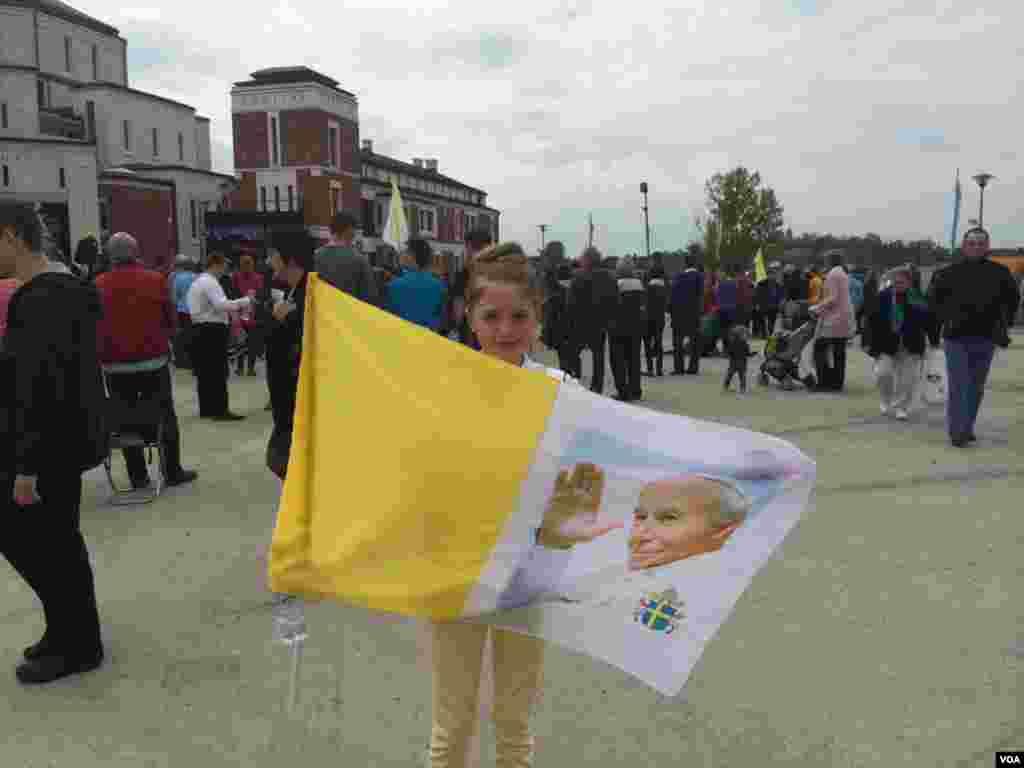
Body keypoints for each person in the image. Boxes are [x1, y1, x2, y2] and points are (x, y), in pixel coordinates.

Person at [428, 241, 605, 768]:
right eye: (491, 316)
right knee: (451, 723)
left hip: (527, 575)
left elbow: (589, 477)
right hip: (456, 571)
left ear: (538, 317)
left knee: (514, 724)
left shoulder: (562, 389)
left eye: (519, 316)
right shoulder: (441, 384)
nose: (505, 330)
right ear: (468, 316)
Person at [0, 203, 107, 684]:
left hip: (44, 447)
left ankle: (77, 644)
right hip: (69, 439)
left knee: (42, 542)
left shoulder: (38, 299)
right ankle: (68, 632)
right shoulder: (69, 289)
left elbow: (37, 386)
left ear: (10, 237)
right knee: (61, 541)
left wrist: (26, 466)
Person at [95, 233, 197, 490]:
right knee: (164, 413)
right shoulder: (155, 279)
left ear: (110, 255)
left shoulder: (98, 284)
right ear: (136, 251)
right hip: (153, 360)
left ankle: (138, 476)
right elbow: (170, 319)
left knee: (125, 417)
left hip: (114, 365)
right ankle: (172, 470)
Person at [928, 228, 1020, 447]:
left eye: (981, 243)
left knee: (976, 386)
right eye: (972, 243)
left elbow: (1012, 300)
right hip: (956, 337)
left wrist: (1003, 325)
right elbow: (933, 302)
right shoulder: (948, 273)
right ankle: (957, 432)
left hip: (986, 338)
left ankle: (967, 427)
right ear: (964, 246)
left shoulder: (1000, 273)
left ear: (987, 247)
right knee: (960, 384)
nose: (976, 247)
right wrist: (939, 328)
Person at [263, 234, 311, 480]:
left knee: (280, 461)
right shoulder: (296, 292)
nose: (269, 261)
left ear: (289, 260)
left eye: (273, 255)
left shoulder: (308, 297)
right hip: (286, 398)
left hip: (294, 398)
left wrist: (278, 320)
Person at [187, 252, 253, 421]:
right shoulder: (210, 282)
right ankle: (220, 410)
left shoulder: (198, 281)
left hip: (199, 328)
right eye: (224, 265)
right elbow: (221, 305)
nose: (226, 269)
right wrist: (246, 301)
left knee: (205, 371)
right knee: (218, 370)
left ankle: (207, 408)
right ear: (215, 264)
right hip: (212, 329)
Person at [867, 265, 935, 421]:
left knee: (907, 379)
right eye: (895, 282)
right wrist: (869, 343)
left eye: (901, 282)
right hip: (885, 343)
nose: (897, 285)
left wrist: (933, 341)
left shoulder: (917, 297)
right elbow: (872, 321)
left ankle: (901, 407)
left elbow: (928, 321)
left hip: (911, 344)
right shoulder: (883, 296)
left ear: (909, 283)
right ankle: (885, 399)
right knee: (883, 373)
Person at [566, 246, 618, 393]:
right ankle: (597, 387)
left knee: (573, 354)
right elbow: (615, 299)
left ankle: (572, 384)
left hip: (580, 322)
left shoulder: (578, 278)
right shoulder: (609, 277)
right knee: (598, 356)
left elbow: (570, 303)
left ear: (586, 260)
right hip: (601, 322)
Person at [808, 254, 855, 391]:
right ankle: (837, 383)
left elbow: (832, 298)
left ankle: (824, 382)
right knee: (839, 353)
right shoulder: (842, 273)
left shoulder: (833, 275)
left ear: (829, 262)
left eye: (825, 261)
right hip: (844, 318)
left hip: (834, 319)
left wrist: (816, 308)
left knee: (819, 349)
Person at [314, 212, 379, 305]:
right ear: (350, 231)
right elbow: (370, 297)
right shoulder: (359, 260)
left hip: (323, 314)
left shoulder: (315, 256)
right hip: (349, 315)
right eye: (355, 230)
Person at [385, 238, 447, 331]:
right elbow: (441, 319)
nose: (401, 254)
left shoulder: (393, 286)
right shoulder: (440, 286)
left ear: (411, 256)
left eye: (405, 251)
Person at [449, 228, 494, 348]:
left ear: (469, 246)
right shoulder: (501, 271)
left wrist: (456, 327)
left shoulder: (465, 272)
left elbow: (458, 307)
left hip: (471, 332)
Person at [609, 258, 646, 402]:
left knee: (617, 360)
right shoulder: (640, 286)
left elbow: (612, 306)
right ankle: (635, 389)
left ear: (619, 270)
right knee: (634, 359)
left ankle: (623, 391)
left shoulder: (616, 285)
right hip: (636, 327)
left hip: (618, 327)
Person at [669, 254, 704, 374]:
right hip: (693, 313)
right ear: (694, 264)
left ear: (685, 264)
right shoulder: (699, 277)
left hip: (679, 313)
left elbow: (672, 296)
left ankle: (679, 368)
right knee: (695, 342)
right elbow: (700, 296)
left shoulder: (678, 277)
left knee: (678, 342)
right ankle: (693, 368)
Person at [232, 253, 265, 376]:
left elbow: (232, 293)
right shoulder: (258, 278)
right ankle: (250, 369)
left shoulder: (236, 276)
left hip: (240, 313)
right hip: (253, 315)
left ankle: (240, 368)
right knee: (252, 343)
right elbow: (260, 296)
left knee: (240, 342)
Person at [540, 245, 573, 371]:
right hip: (570, 328)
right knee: (569, 358)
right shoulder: (571, 282)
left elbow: (550, 310)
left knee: (564, 359)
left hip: (559, 327)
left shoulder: (551, 276)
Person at [169, 255, 198, 369]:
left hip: (182, 311)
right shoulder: (197, 277)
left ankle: (182, 361)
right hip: (196, 310)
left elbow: (174, 297)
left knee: (183, 336)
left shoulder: (177, 278)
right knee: (194, 336)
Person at [643, 265, 668, 376]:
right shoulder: (664, 289)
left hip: (648, 320)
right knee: (659, 344)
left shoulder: (647, 288)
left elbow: (644, 305)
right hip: (660, 320)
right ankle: (659, 369)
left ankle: (650, 369)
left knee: (648, 344)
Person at [723, 325, 756, 395]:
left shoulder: (732, 343)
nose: (746, 336)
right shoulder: (745, 344)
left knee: (730, 374)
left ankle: (726, 386)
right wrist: (752, 354)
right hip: (741, 363)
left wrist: (729, 354)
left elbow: (729, 352)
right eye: (745, 335)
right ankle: (742, 388)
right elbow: (747, 353)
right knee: (742, 376)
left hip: (734, 363)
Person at [753, 269, 784, 338]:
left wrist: (780, 303)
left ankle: (770, 333)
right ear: (767, 275)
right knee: (762, 321)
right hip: (764, 305)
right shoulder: (761, 283)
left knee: (772, 321)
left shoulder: (777, 284)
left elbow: (780, 295)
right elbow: (757, 294)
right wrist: (757, 303)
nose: (772, 276)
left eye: (773, 274)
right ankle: (763, 334)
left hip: (774, 305)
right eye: (770, 274)